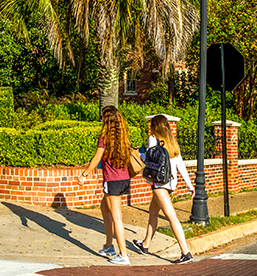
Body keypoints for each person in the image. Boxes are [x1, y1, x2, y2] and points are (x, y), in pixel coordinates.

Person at [130, 114, 195, 264]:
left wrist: (139, 154)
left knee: (171, 216)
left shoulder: (153, 138)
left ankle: (185, 252)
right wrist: (189, 185)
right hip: (170, 183)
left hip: (159, 183)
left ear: (154, 126)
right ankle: (145, 244)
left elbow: (150, 158)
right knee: (153, 213)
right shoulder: (173, 142)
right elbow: (181, 165)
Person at [82, 105, 143, 265]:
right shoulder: (123, 137)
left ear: (106, 120)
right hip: (124, 180)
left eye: (102, 117)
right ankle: (109, 246)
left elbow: (96, 159)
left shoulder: (104, 137)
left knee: (117, 218)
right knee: (104, 208)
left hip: (112, 181)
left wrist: (84, 174)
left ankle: (123, 254)